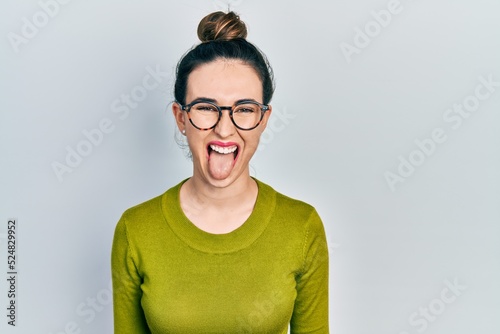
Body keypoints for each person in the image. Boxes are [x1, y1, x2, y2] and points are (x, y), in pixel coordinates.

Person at [111, 11, 329, 334]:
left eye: (243, 109)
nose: (224, 130)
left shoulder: (302, 227)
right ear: (181, 117)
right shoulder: (135, 231)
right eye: (205, 107)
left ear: (264, 119)